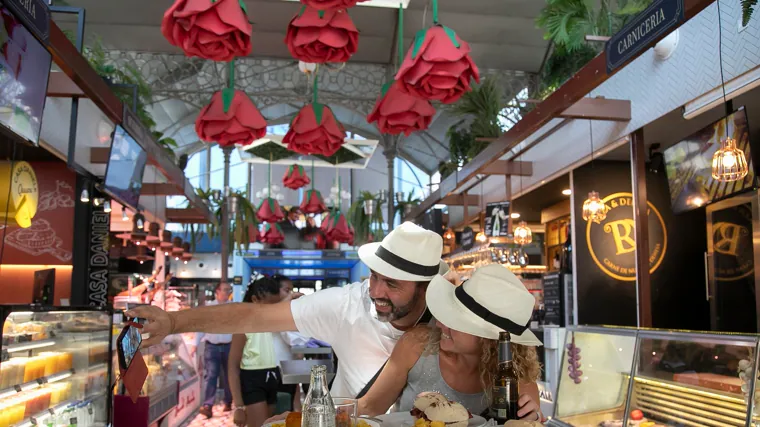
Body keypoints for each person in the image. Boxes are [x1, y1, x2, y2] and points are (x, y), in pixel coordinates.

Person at [128, 222, 540, 420]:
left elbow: (505, 344)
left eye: (391, 284)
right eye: (373, 275)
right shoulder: (343, 305)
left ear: (424, 288)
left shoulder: (453, 314)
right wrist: (174, 322)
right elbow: (255, 314)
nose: (375, 290)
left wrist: (529, 391)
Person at [358, 264, 542, 419]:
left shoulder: (515, 380)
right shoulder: (417, 344)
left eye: (455, 321)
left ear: (490, 339)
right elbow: (369, 408)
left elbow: (528, 421)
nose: (439, 324)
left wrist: (530, 420)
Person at [229, 277, 283, 427]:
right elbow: (232, 366)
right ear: (254, 300)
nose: (273, 310)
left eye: (276, 305)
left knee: (269, 424)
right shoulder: (243, 324)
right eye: (269, 306)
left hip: (273, 375)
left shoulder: (272, 321)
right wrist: (239, 406)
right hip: (252, 378)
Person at [198, 282, 234, 418]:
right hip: (211, 346)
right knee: (211, 375)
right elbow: (201, 326)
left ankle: (228, 401)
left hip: (228, 345)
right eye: (225, 290)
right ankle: (208, 405)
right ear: (217, 291)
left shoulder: (232, 307)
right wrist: (196, 344)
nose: (227, 292)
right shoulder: (208, 307)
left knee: (228, 375)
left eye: (228, 290)